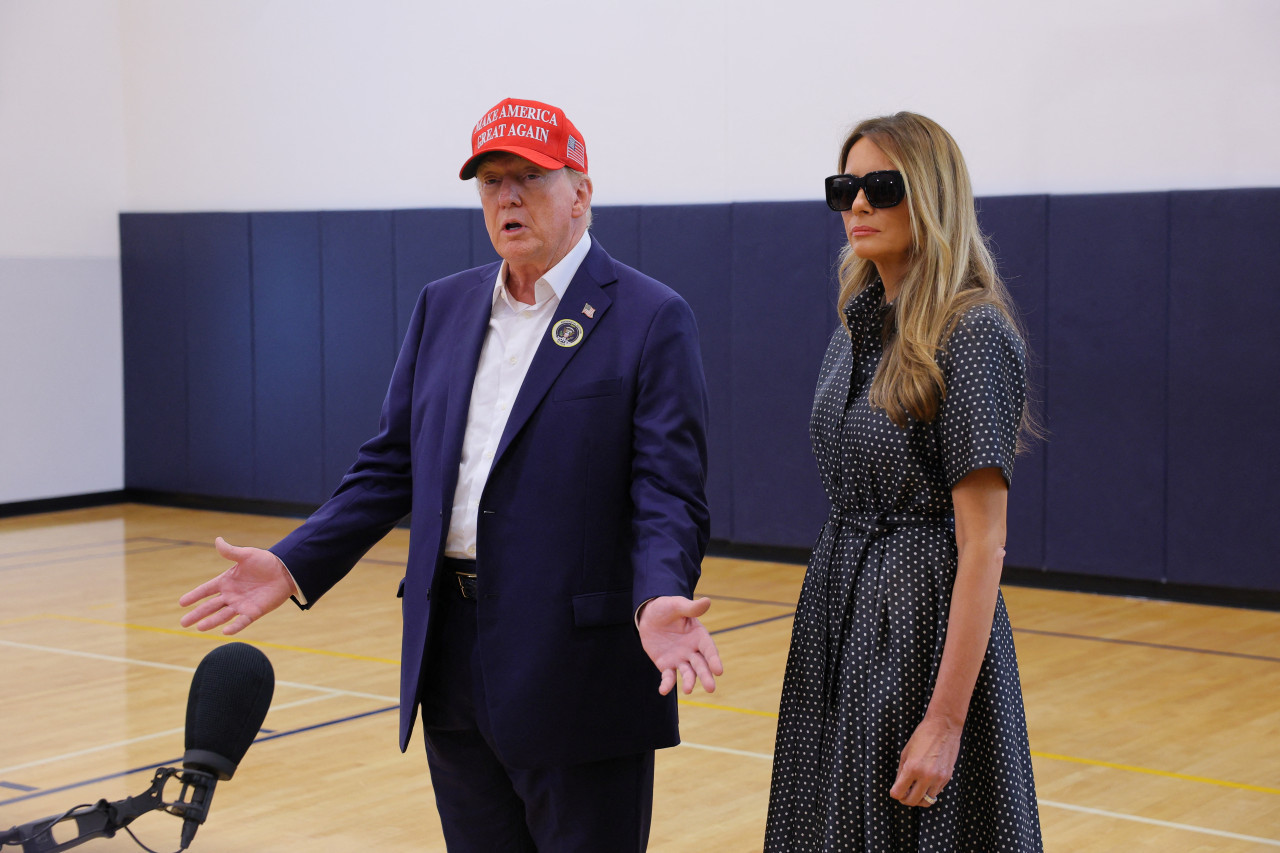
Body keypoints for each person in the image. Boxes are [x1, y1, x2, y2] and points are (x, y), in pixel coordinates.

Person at [179, 97, 722, 852]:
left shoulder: (650, 315)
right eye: (491, 180)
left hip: (579, 664)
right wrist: (296, 559)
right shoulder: (446, 304)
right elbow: (391, 463)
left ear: (580, 191)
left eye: (529, 177)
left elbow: (667, 490)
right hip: (451, 652)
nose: (507, 197)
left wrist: (660, 591)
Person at [764, 112, 1042, 851]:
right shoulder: (855, 325)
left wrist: (946, 721)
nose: (858, 204)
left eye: (880, 187)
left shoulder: (972, 331)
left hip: (919, 621)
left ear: (932, 194)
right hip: (840, 611)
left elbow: (984, 544)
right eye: (845, 187)